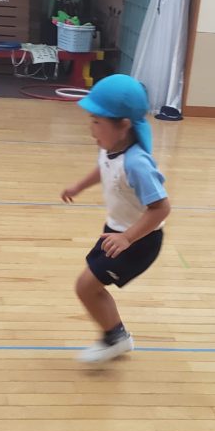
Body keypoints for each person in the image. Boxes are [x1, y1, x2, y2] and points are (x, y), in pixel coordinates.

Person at [61, 74, 171, 363]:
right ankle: (116, 336)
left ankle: (116, 338)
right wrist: (79, 186)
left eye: (97, 122)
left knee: (86, 286)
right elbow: (104, 167)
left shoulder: (137, 163)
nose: (91, 129)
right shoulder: (110, 148)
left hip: (139, 241)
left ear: (123, 126)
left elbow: (161, 208)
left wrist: (127, 238)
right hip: (116, 232)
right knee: (90, 286)